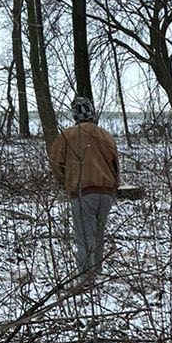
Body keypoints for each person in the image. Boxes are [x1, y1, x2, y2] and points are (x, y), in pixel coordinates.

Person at [49, 96, 120, 281]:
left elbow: (56, 163)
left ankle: (84, 278)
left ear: (74, 115)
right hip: (106, 193)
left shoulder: (66, 136)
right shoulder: (105, 135)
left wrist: (65, 183)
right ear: (92, 112)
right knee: (99, 234)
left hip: (83, 193)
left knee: (84, 237)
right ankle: (96, 272)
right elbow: (115, 165)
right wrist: (113, 188)